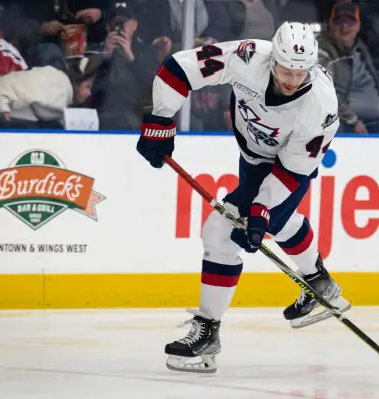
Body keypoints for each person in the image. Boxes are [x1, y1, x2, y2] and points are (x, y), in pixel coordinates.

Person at [136, 21, 351, 373]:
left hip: (287, 170)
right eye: (285, 69)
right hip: (252, 157)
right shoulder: (248, 56)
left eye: (300, 72)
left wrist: (261, 209)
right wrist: (160, 119)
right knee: (279, 225)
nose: (291, 80)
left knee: (219, 234)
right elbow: (180, 68)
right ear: (273, 58)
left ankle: (208, 330)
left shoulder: (320, 106)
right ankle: (320, 282)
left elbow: (293, 171)